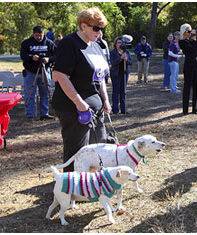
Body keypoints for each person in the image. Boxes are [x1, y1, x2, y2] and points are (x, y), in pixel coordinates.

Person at [52, 7, 111, 172]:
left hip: (95, 106)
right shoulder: (69, 43)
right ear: (83, 25)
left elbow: (99, 77)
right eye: (96, 28)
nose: (99, 32)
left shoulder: (96, 46)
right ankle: (72, 188)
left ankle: (93, 182)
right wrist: (79, 102)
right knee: (77, 150)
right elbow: (59, 75)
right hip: (74, 108)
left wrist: (105, 100)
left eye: (101, 28)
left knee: (99, 146)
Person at [20, 25, 56, 121]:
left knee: (45, 93)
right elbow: (23, 55)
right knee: (30, 94)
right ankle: (30, 115)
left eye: (40, 35)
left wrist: (48, 59)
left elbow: (56, 56)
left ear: (44, 34)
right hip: (31, 72)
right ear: (33, 34)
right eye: (37, 35)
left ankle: (44, 113)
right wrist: (31, 57)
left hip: (44, 71)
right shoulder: (26, 43)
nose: (39, 37)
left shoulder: (49, 43)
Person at [179, 23, 197, 115]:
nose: (190, 33)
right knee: (187, 87)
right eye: (188, 31)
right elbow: (191, 50)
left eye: (191, 31)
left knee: (196, 87)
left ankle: (195, 108)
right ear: (184, 32)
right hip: (188, 66)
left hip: (196, 64)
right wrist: (194, 39)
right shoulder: (182, 42)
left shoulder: (192, 40)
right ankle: (185, 109)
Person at [110, 36, 132, 114]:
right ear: (115, 44)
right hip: (116, 74)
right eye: (119, 42)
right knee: (116, 91)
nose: (120, 44)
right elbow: (113, 62)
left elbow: (130, 62)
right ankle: (115, 110)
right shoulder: (112, 52)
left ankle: (124, 109)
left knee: (123, 91)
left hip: (124, 73)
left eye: (122, 42)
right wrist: (120, 58)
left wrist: (126, 59)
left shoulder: (126, 52)